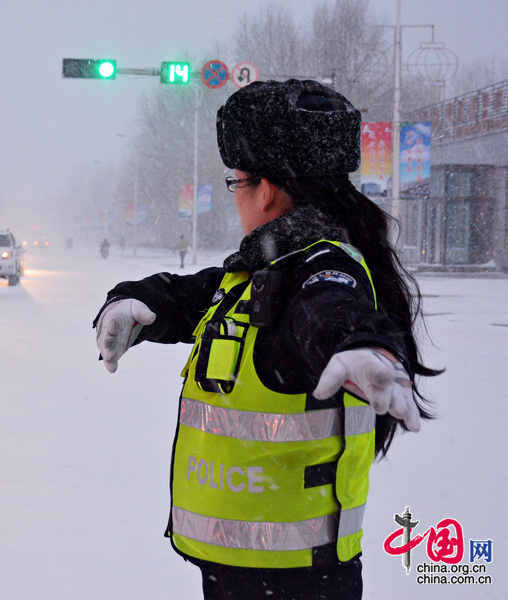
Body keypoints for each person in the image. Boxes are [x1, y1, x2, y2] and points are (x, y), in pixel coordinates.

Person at [93, 79, 440, 599]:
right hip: (256, 571)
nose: (235, 197)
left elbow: (330, 309)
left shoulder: (318, 270)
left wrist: (362, 345)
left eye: (235, 182)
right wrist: (132, 301)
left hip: (297, 580)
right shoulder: (269, 270)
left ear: (268, 190)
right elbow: (195, 294)